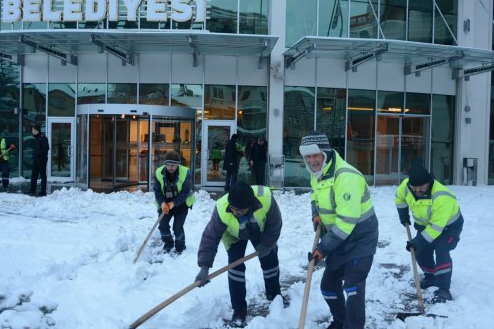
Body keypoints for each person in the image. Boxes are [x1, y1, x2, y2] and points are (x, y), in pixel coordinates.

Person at [299, 131, 379, 329]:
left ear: (325, 154)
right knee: (328, 287)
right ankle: (341, 321)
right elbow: (314, 195)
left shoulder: (346, 177)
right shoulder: (317, 174)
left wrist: (323, 248)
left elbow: (346, 222)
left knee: (352, 288)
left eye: (315, 155)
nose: (311, 161)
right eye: (307, 157)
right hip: (339, 237)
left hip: (360, 238)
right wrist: (315, 214)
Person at [195, 180, 285, 327]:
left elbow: (275, 223)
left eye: (240, 210)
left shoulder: (265, 198)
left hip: (261, 231)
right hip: (234, 235)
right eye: (233, 209)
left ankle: (274, 295)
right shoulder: (222, 208)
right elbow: (210, 238)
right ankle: (239, 310)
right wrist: (204, 266)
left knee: (270, 261)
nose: (235, 212)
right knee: (235, 268)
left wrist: (267, 244)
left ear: (250, 206)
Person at [395, 161, 464, 303]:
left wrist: (417, 241)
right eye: (415, 188)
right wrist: (403, 215)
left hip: (448, 228)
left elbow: (435, 228)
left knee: (441, 249)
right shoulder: (407, 186)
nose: (417, 191)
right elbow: (399, 198)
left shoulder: (441, 197)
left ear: (429, 182)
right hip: (425, 225)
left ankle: (444, 289)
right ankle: (431, 276)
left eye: (421, 188)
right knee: (420, 252)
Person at [153, 150, 196, 253]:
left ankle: (180, 247)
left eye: (173, 165)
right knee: (162, 225)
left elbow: (186, 191)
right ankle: (168, 243)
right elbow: (157, 190)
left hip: (181, 203)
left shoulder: (185, 172)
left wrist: (173, 203)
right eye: (168, 165)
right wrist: (163, 203)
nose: (170, 168)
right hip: (164, 203)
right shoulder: (159, 172)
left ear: (178, 165)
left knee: (177, 227)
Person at [29, 124, 49, 197]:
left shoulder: (43, 138)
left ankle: (43, 191)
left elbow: (46, 148)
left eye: (33, 130)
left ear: (37, 130)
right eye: (32, 130)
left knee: (42, 175)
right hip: (36, 159)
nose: (32, 131)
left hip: (42, 159)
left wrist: (38, 153)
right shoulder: (36, 138)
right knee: (34, 175)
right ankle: (32, 190)